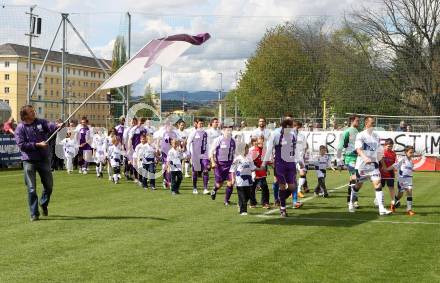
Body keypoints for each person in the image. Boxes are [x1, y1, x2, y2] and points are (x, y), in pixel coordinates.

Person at [14, 105, 61, 221]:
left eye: (33, 110)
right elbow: (21, 145)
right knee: (31, 189)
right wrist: (37, 145)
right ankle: (34, 214)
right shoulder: (20, 128)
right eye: (30, 112)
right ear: (25, 115)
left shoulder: (41, 122)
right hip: (29, 161)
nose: (34, 112)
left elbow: (50, 126)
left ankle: (43, 204)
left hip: (44, 159)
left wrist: (57, 126)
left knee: (49, 187)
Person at [349, 116, 392, 215]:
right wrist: (364, 157)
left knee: (378, 184)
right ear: (366, 124)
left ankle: (381, 209)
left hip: (373, 166)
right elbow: (358, 149)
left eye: (374, 123)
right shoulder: (360, 135)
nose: (373, 125)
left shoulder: (376, 136)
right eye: (372, 123)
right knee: (357, 186)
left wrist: (384, 166)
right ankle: (351, 202)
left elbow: (378, 153)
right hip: (362, 166)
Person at [263, 118, 298, 217]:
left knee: (292, 187)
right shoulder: (275, 134)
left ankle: (280, 198)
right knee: (282, 186)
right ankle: (283, 208)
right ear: (283, 127)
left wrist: (299, 161)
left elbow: (295, 149)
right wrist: (266, 161)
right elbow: (269, 148)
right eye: (288, 127)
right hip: (280, 164)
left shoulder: (293, 134)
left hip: (290, 163)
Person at [336, 115, 360, 209]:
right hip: (350, 158)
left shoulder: (358, 132)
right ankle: (353, 201)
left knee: (353, 179)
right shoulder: (346, 132)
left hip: (357, 158)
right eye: (357, 120)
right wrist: (339, 161)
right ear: (352, 121)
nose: (359, 122)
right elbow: (340, 146)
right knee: (355, 178)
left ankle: (350, 200)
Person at [385, 146, 416, 216]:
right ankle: (393, 204)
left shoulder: (411, 161)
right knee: (401, 194)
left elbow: (408, 170)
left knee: (409, 192)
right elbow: (394, 165)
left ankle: (409, 210)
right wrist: (387, 169)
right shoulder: (402, 159)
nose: (412, 154)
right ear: (406, 152)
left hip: (409, 179)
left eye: (412, 152)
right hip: (402, 179)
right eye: (410, 152)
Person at [210, 125, 236, 205]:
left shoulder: (233, 140)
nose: (229, 132)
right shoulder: (218, 140)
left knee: (231, 182)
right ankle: (214, 189)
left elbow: (235, 152)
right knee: (219, 184)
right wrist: (213, 162)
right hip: (220, 165)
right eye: (227, 130)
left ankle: (226, 200)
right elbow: (211, 151)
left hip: (230, 164)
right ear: (223, 131)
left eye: (230, 130)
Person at [230, 144, 257, 215]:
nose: (248, 150)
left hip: (248, 179)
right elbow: (232, 169)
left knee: (248, 195)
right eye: (246, 149)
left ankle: (240, 204)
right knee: (242, 196)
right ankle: (243, 211)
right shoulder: (237, 158)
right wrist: (233, 179)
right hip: (240, 179)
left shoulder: (249, 157)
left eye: (248, 149)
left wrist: (258, 171)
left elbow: (252, 167)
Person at [187, 118, 210, 195]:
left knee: (206, 170)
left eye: (202, 124)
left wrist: (209, 154)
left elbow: (207, 144)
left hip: (204, 155)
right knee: (195, 172)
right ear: (196, 124)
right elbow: (188, 143)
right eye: (200, 123)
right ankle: (194, 188)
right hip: (195, 155)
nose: (201, 125)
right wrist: (189, 153)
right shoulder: (193, 133)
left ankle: (205, 189)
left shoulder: (205, 133)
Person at [249, 136, 271, 209]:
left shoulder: (264, 150)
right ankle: (252, 203)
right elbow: (251, 162)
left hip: (262, 172)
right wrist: (253, 172)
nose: (261, 143)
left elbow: (265, 161)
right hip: (255, 172)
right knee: (252, 188)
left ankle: (265, 203)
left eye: (262, 141)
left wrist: (268, 166)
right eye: (259, 141)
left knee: (264, 187)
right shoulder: (253, 151)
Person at [379, 138, 397, 211]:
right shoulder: (381, 152)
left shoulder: (393, 154)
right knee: (380, 188)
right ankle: (380, 201)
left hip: (390, 173)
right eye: (388, 146)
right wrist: (383, 168)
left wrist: (389, 169)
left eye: (391, 146)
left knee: (391, 187)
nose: (390, 148)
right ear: (385, 145)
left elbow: (394, 164)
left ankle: (393, 202)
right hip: (381, 173)